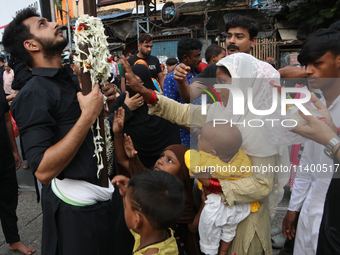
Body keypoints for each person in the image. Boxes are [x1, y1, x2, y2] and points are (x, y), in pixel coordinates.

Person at [122, 52, 286, 255]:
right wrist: (145, 92)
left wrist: (214, 184)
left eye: (222, 82)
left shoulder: (261, 126)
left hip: (244, 222)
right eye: (216, 81)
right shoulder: (221, 110)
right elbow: (183, 113)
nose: (216, 88)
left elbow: (262, 186)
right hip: (213, 210)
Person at [3, 8, 116, 255]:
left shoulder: (73, 79)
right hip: (76, 215)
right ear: (31, 44)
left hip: (106, 198)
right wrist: (87, 116)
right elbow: (42, 170)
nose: (56, 24)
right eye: (43, 24)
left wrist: (104, 102)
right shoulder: (33, 94)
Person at [112, 107, 204, 255]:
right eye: (161, 156)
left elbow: (192, 227)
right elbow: (123, 161)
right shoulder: (157, 234)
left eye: (170, 160)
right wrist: (118, 134)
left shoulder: (180, 198)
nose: (161, 161)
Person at [281, 29, 340, 255]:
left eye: (317, 63)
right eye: (305, 64)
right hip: (311, 210)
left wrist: (332, 138)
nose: (308, 71)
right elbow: (308, 163)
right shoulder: (317, 106)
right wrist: (294, 208)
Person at [186, 121, 259, 255]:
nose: (198, 138)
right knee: (230, 229)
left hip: (215, 203)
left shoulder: (206, 159)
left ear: (212, 152)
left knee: (209, 229)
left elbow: (189, 159)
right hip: (238, 205)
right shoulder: (242, 157)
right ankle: (223, 252)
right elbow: (247, 173)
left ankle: (210, 251)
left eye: (201, 138)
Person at [174, 15, 259, 104]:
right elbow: (189, 95)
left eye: (239, 37)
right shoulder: (214, 69)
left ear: (253, 41)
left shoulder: (262, 71)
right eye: (229, 36)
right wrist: (181, 80)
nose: (231, 41)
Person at [109, 64, 180, 169]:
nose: (133, 87)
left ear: (147, 83)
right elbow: (110, 125)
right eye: (128, 83)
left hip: (162, 170)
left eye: (138, 83)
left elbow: (174, 144)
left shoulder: (159, 103)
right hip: (131, 169)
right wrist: (126, 109)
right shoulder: (123, 101)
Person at [111, 171, 184, 255]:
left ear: (137, 220)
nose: (125, 207)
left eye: (127, 206)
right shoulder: (163, 233)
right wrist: (126, 195)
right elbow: (134, 226)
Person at [0, 87, 35, 255]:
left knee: (9, 197)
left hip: (3, 153)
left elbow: (7, 119)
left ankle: (13, 240)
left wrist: (15, 150)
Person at [163, 37, 202, 148]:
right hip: (185, 139)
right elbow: (169, 111)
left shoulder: (197, 74)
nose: (200, 59)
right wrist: (193, 130)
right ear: (186, 58)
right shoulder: (172, 79)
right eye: (197, 56)